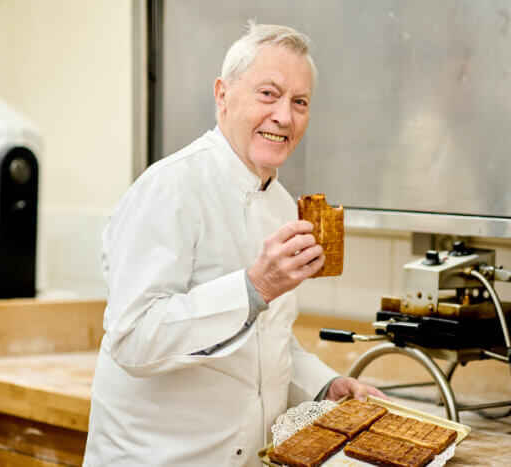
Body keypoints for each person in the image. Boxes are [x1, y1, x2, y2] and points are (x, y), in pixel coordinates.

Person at [83, 21, 385, 467]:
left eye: (300, 102)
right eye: (268, 93)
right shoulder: (168, 189)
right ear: (222, 95)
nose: (285, 115)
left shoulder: (283, 205)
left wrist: (323, 385)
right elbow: (133, 338)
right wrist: (253, 287)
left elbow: (267, 337)